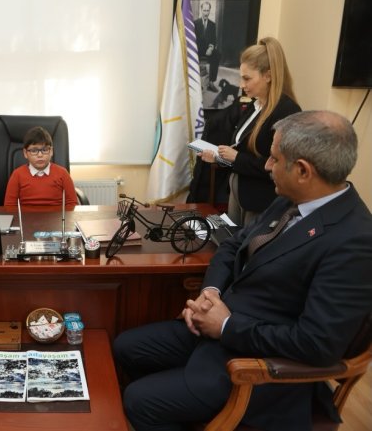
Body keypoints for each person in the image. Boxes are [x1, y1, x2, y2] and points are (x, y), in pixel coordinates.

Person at [113, 110, 372, 431]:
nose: (266, 166)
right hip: (219, 331)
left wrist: (226, 326)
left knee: (139, 401)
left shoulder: (355, 241)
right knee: (126, 348)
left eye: (274, 159)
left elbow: (317, 345)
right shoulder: (292, 200)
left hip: (257, 368)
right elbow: (232, 246)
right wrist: (210, 293)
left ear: (303, 171)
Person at [198, 37, 301, 226]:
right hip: (238, 195)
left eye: (247, 78)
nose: (241, 85)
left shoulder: (287, 112)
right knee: (231, 240)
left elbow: (281, 169)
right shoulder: (254, 106)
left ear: (268, 76)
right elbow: (244, 153)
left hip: (261, 202)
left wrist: (236, 158)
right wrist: (220, 158)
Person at [3, 126, 77, 207]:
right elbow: (9, 205)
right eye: (34, 150)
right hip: (27, 215)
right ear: (25, 153)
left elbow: (72, 203)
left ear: (51, 151)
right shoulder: (17, 175)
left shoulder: (62, 173)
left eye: (45, 150)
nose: (40, 155)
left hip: (56, 215)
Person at [194, 1, 221, 93]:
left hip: (207, 49)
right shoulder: (195, 23)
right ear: (201, 10)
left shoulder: (212, 25)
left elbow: (213, 39)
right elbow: (193, 39)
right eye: (204, 10)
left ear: (209, 11)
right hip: (197, 49)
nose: (206, 13)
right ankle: (196, 83)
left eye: (207, 10)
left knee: (217, 54)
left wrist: (211, 48)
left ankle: (211, 82)